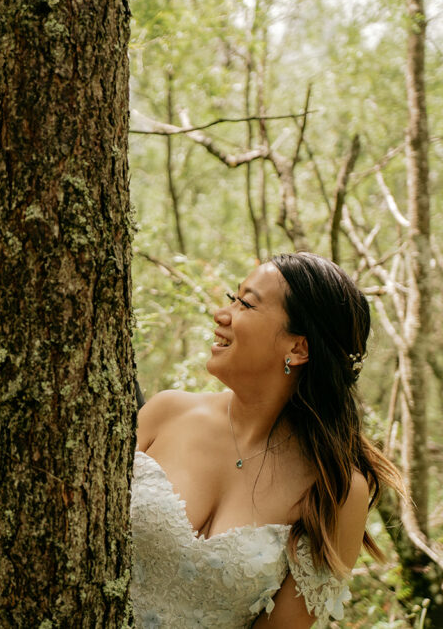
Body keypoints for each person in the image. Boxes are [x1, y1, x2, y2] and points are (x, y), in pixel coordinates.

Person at [132, 253, 402, 628]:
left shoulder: (334, 491)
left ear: (298, 349)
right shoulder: (165, 413)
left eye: (245, 304)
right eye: (233, 297)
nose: (222, 314)